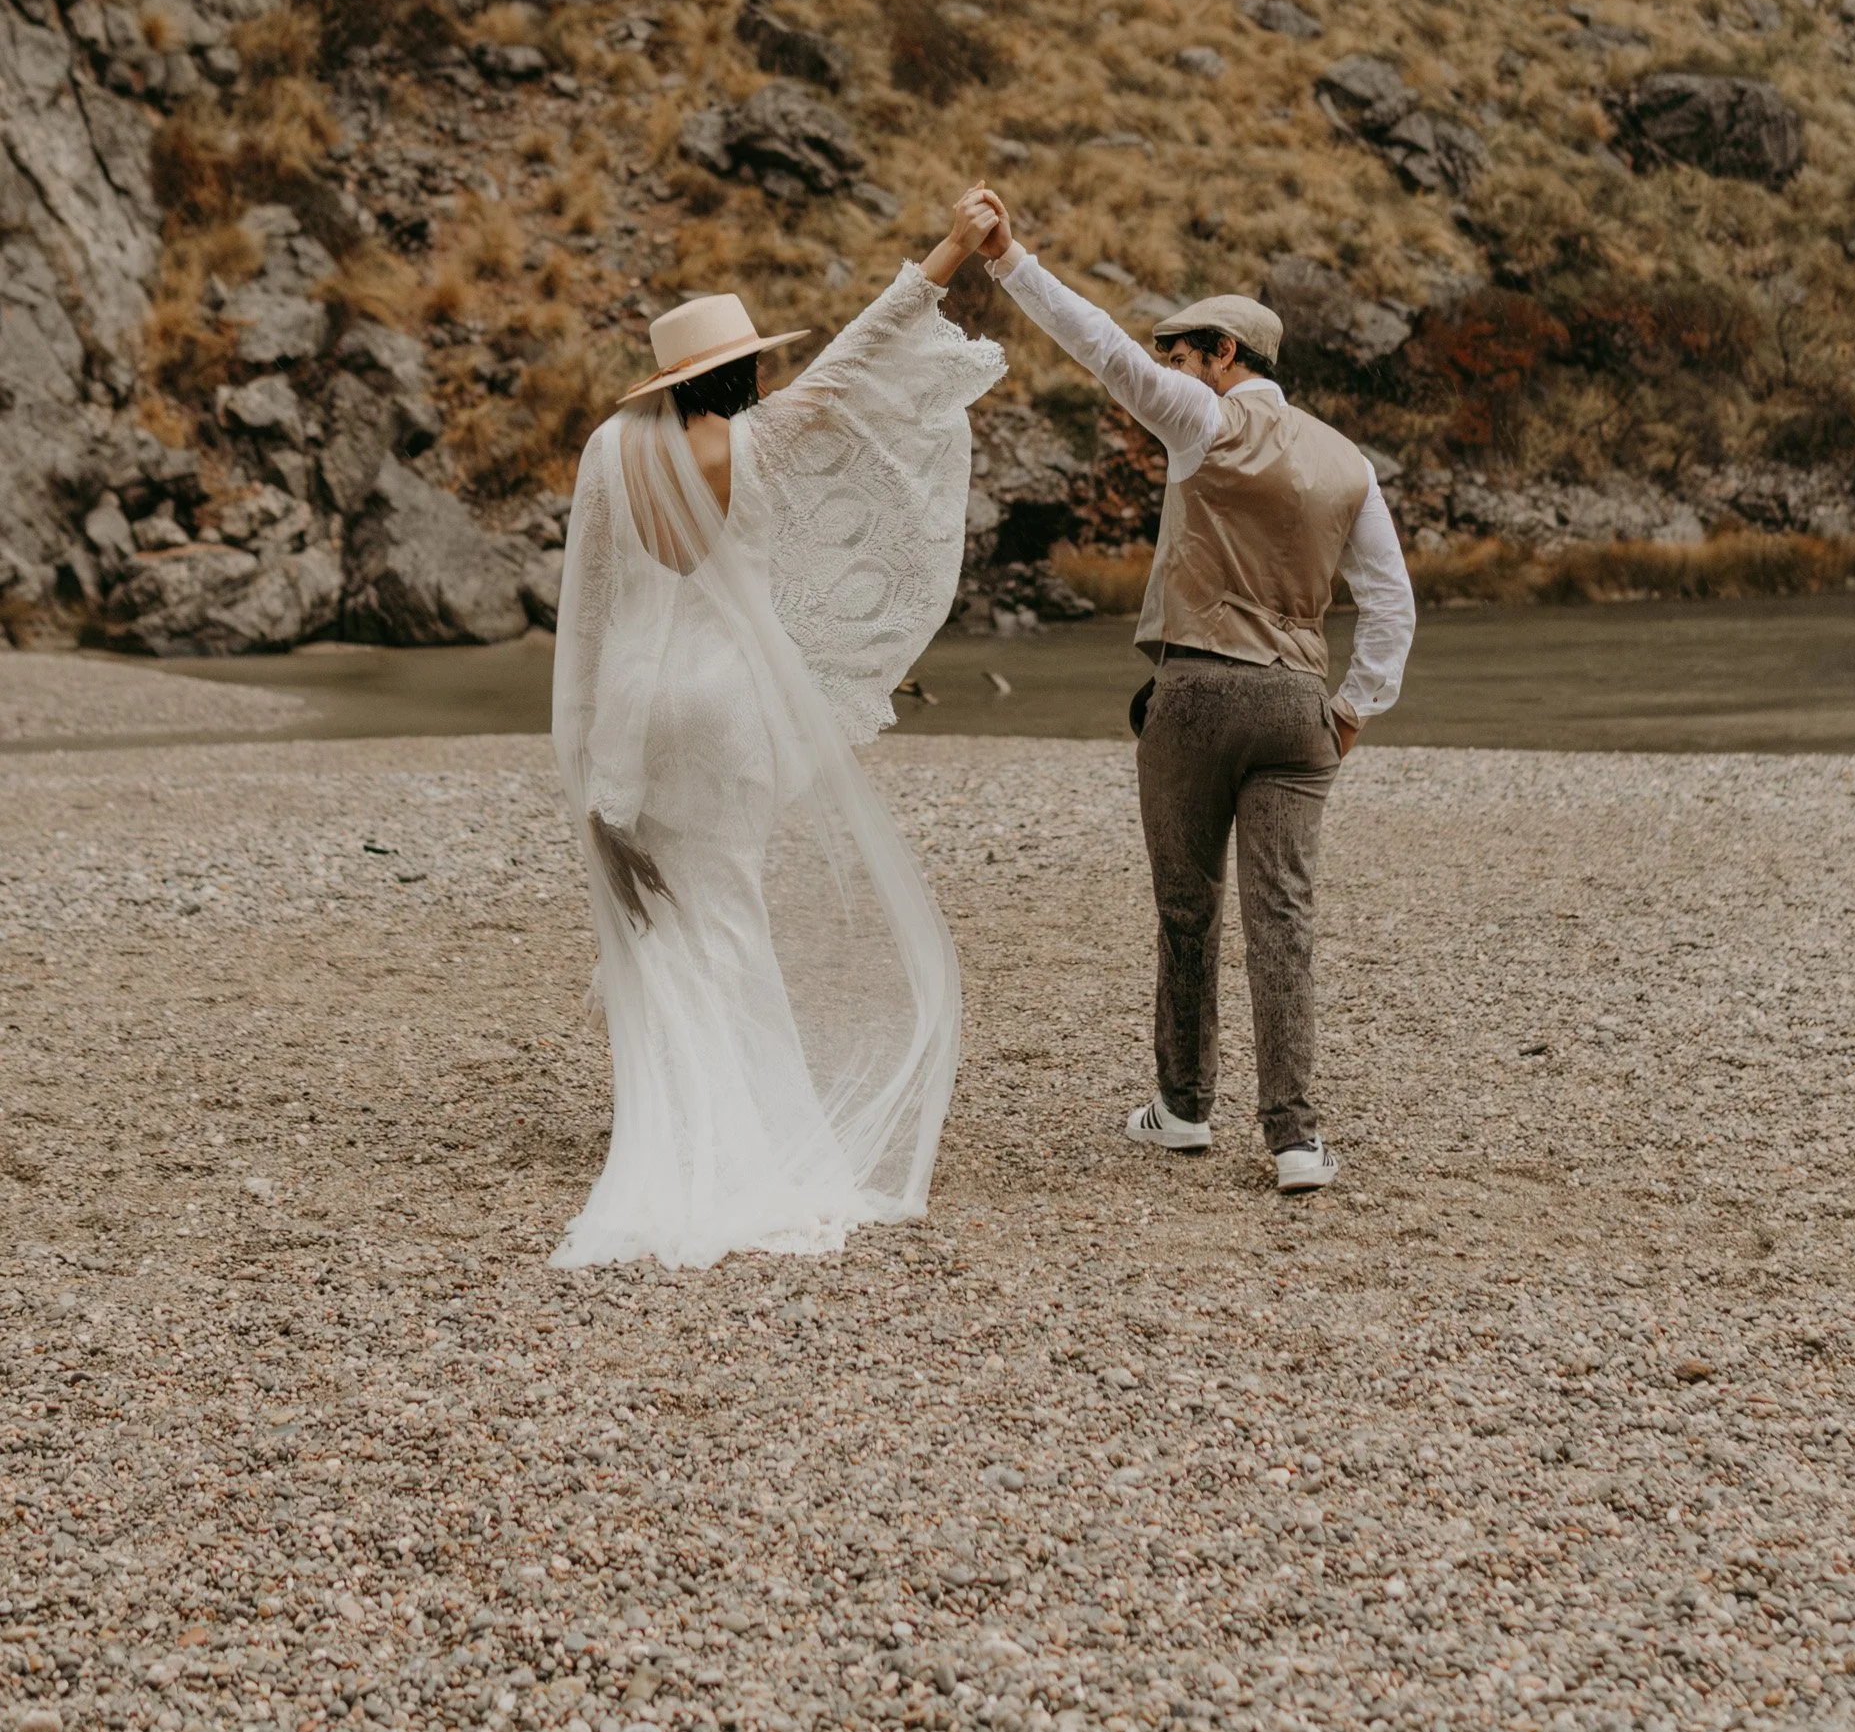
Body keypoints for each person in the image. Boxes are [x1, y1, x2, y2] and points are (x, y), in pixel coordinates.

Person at [549, 192, 1006, 1270]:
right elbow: (859, 359)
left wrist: (585, 755)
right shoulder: (749, 443)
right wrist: (950, 247)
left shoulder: (609, 449)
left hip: (633, 695)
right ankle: (744, 1129)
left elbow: (595, 599)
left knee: (660, 916)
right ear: (741, 368)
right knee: (730, 909)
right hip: (723, 702)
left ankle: (671, 1111)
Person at [973, 193, 1415, 1194]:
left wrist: (1008, 261)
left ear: (1219, 353)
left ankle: (1180, 1108)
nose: (1166, 368)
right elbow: (1389, 603)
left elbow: (1098, 346)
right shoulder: (1349, 464)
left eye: (1182, 353)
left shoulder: (1202, 419)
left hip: (1194, 693)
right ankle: (1295, 1139)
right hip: (1298, 704)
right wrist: (1351, 709)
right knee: (1284, 919)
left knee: (1188, 912)